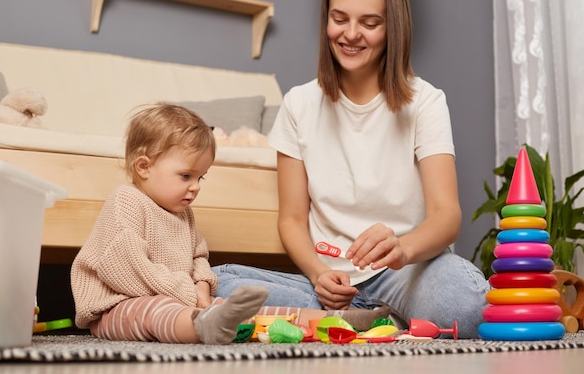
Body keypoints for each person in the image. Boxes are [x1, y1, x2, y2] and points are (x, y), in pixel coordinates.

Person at [212, 0, 490, 339]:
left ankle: (360, 319)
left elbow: (447, 216)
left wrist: (403, 248)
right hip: (331, 279)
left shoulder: (425, 101)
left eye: (370, 23)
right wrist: (318, 273)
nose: (351, 34)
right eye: (339, 19)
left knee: (468, 307)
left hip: (406, 271)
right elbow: (292, 219)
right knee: (216, 283)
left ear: (392, 27)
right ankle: (377, 320)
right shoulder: (299, 104)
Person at [70, 102, 391, 345]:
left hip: (178, 297)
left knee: (235, 308)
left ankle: (330, 319)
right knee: (153, 311)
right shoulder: (126, 201)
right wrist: (188, 293)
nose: (195, 186)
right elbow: (126, 269)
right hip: (118, 306)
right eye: (186, 176)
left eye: (200, 177)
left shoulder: (183, 214)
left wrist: (201, 288)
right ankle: (201, 326)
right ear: (144, 166)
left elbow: (197, 259)